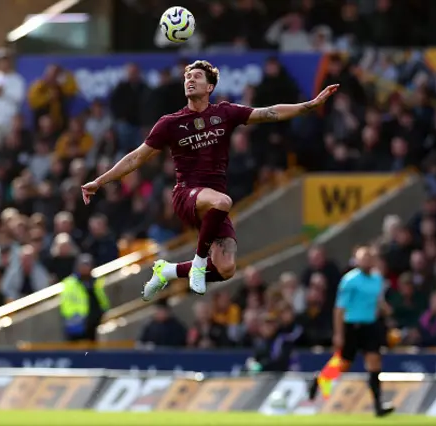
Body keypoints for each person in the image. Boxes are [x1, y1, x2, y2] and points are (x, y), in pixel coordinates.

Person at [81, 60, 339, 299]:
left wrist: (310, 105)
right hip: (188, 195)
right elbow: (135, 158)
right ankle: (197, 263)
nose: (189, 80)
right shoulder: (170, 123)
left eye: (196, 76)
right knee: (223, 201)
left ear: (210, 86)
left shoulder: (225, 113)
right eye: (187, 77)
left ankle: (168, 271)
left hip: (214, 204)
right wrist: (100, 181)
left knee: (226, 268)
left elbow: (269, 112)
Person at [308, 246, 394, 418]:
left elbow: (376, 300)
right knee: (344, 363)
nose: (366, 261)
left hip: (370, 326)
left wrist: (386, 310)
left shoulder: (377, 279)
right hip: (352, 327)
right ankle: (320, 379)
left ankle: (378, 405)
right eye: (363, 258)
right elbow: (339, 309)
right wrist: (338, 333)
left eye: (368, 257)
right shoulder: (350, 281)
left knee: (374, 362)